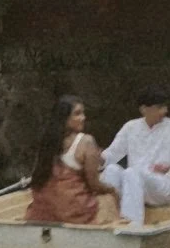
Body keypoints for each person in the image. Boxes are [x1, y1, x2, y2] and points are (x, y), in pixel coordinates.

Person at [100, 85, 170, 227]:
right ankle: (106, 218)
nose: (165, 111)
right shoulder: (130, 127)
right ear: (144, 109)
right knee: (112, 169)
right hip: (133, 186)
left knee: (132, 172)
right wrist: (94, 156)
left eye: (165, 107)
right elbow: (111, 154)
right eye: (160, 107)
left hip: (161, 187)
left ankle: (132, 225)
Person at [25, 95, 121, 225]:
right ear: (64, 118)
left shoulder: (46, 142)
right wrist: (112, 190)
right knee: (108, 198)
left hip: (41, 212)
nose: (83, 118)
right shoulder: (86, 141)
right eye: (77, 114)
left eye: (83, 113)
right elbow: (94, 185)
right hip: (73, 213)